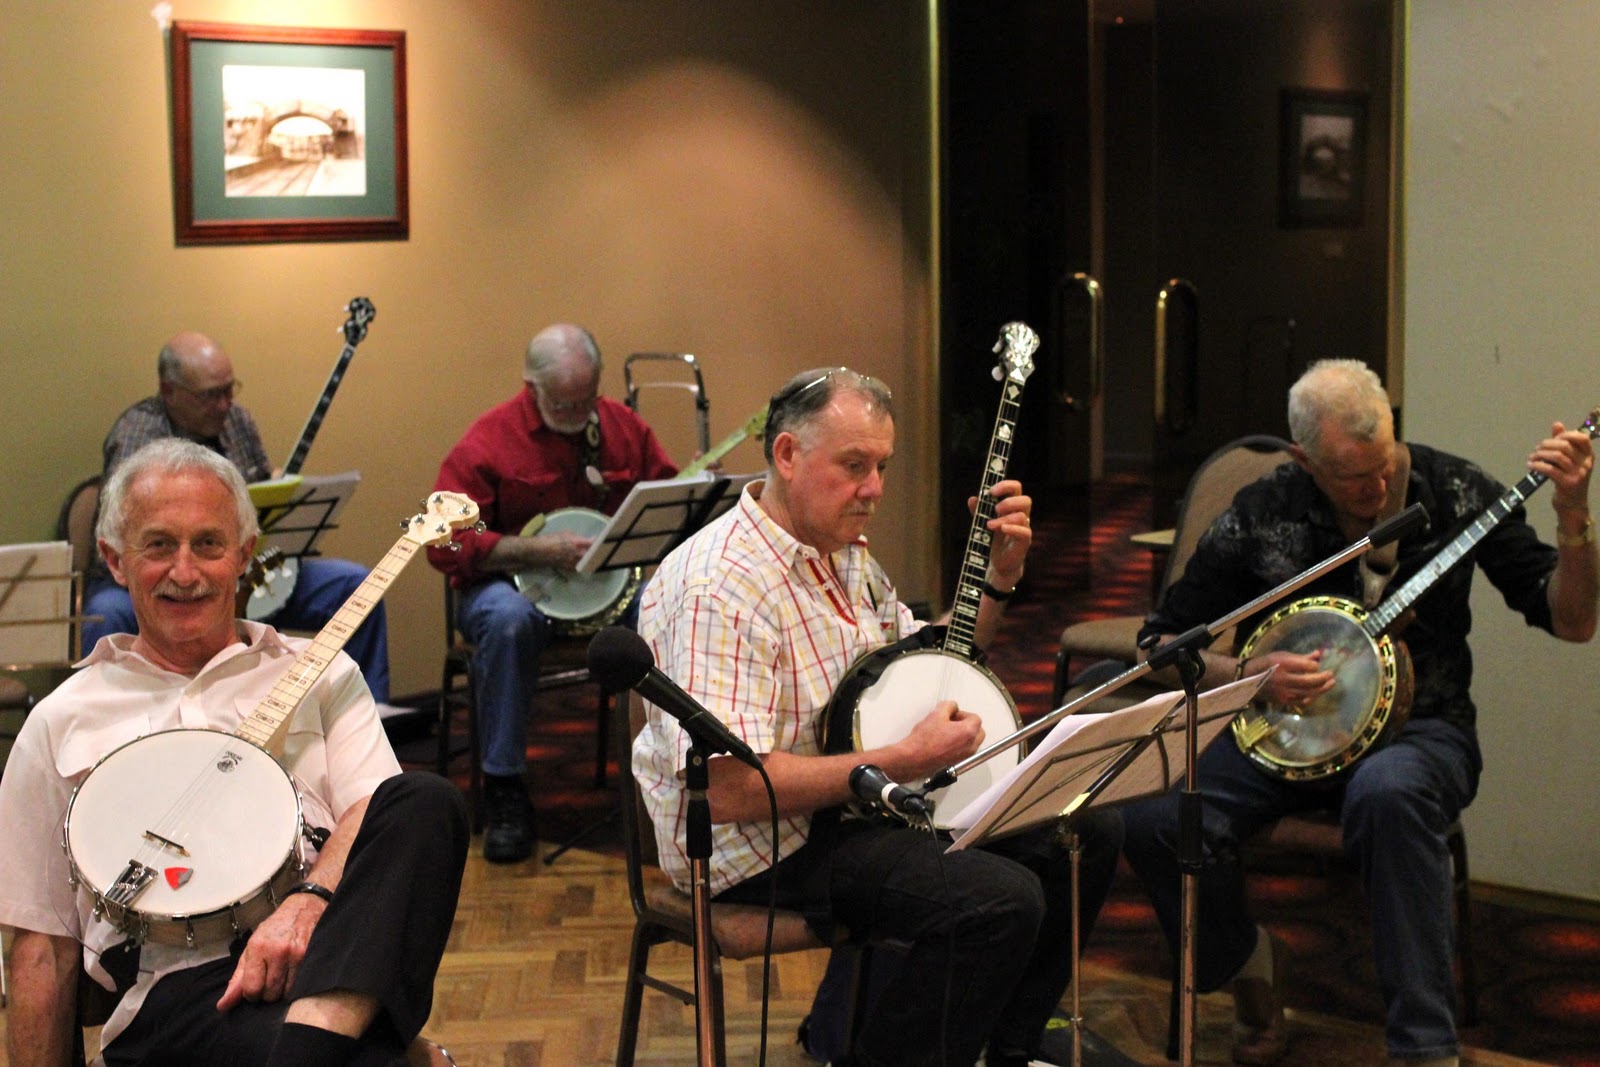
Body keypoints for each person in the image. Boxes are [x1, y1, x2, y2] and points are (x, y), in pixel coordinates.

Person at [631, 367, 1124, 1067]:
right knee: (998, 900)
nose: (875, 489)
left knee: (1086, 825)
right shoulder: (720, 587)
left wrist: (999, 576)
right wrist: (903, 760)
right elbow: (729, 789)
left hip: (852, 803)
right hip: (762, 845)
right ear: (788, 455)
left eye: (882, 466)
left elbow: (932, 658)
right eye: (855, 465)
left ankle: (1004, 1048)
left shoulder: (842, 555)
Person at [1120, 359, 1597, 1067]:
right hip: (1282, 730)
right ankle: (1248, 967)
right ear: (1303, 460)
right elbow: (1159, 644)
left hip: (1420, 732)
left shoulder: (1455, 488)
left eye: (1385, 465)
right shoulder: (1265, 510)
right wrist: (1247, 672)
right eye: (1353, 477)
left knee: (1389, 791)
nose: (1377, 489)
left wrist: (1571, 518)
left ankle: (1425, 1048)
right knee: (1155, 813)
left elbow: (1574, 619)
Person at [0, 439, 469, 1066]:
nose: (185, 572)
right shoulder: (59, 720)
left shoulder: (322, 672)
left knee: (425, 799)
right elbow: (40, 949)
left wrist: (305, 906)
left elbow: (372, 816)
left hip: (329, 950)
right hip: (180, 992)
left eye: (208, 544)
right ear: (115, 559)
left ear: (245, 555)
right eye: (159, 545)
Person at [428, 324, 677, 863]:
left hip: (605, 593)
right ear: (531, 385)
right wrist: (535, 552)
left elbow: (666, 495)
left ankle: (664, 774)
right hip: (506, 589)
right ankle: (505, 789)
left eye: (588, 399)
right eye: (564, 404)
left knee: (665, 608)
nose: (578, 414)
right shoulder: (489, 440)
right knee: (510, 621)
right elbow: (444, 541)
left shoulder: (621, 427)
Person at [84, 331, 397, 710]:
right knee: (107, 612)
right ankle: (112, 718)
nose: (224, 404)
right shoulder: (136, 435)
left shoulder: (237, 420)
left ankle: (368, 717)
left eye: (230, 390)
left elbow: (261, 510)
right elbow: (118, 531)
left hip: (241, 569)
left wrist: (278, 494)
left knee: (355, 586)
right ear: (170, 392)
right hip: (156, 579)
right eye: (210, 395)